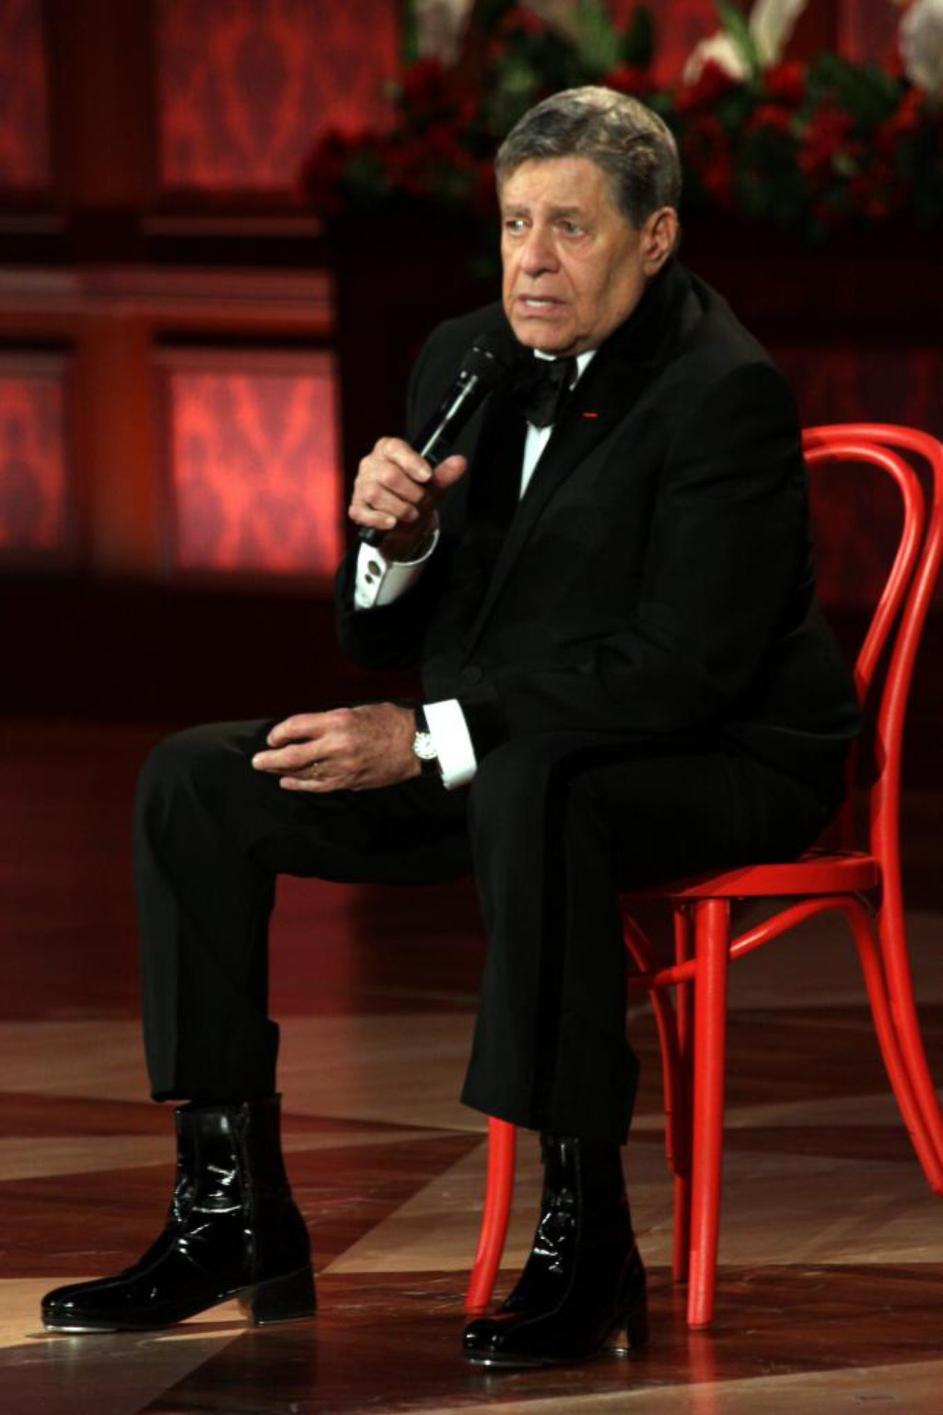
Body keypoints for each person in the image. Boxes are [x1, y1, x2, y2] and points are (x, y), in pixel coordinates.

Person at [41, 87, 860, 1366]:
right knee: (197, 779)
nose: (531, 261)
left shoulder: (722, 390)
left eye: (571, 228)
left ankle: (585, 1237)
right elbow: (378, 643)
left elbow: (678, 671)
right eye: (515, 224)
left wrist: (428, 739)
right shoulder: (465, 356)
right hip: (505, 735)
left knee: (541, 787)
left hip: (719, 753)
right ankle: (230, 1210)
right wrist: (401, 544)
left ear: (653, 238)